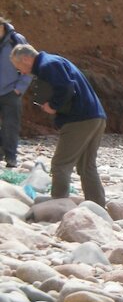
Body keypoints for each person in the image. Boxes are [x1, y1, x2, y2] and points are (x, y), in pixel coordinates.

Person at [10, 44, 107, 207]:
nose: (22, 72)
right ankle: (97, 206)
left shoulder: (48, 65)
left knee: (60, 164)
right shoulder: (53, 61)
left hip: (79, 119)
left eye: (19, 67)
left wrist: (53, 106)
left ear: (26, 59)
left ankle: (59, 204)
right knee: (86, 166)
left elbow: (66, 87)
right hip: (95, 116)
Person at [0, 18, 32, 167]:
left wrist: (19, 88)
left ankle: (11, 157)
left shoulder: (16, 40)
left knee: (10, 125)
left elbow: (30, 64)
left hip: (11, 91)